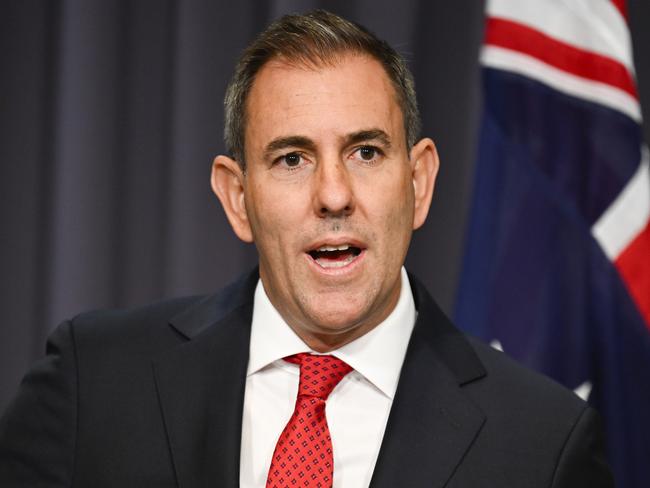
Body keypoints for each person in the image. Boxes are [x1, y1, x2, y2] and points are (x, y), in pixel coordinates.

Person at [0, 10, 614, 488]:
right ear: (237, 197)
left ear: (419, 183)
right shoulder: (96, 380)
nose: (334, 195)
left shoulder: (542, 442)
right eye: (292, 158)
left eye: (366, 152)